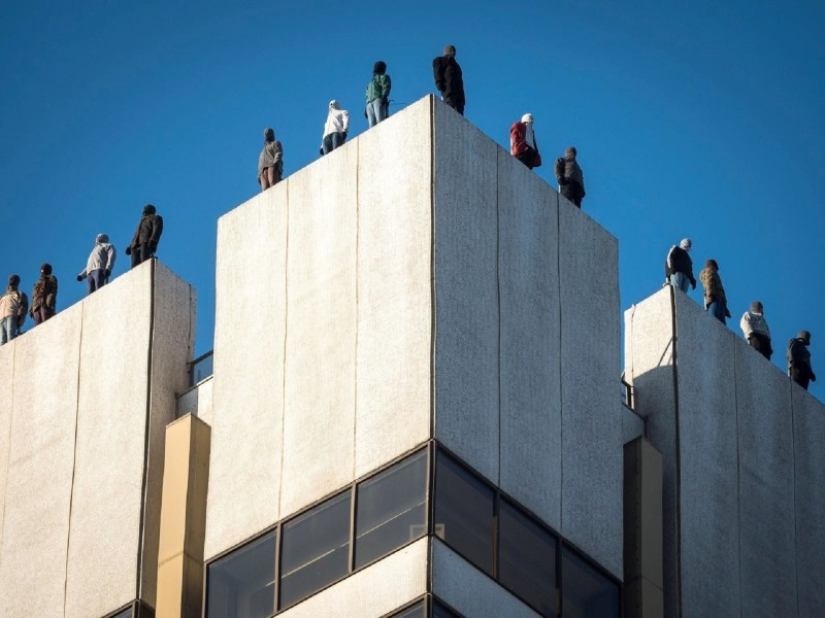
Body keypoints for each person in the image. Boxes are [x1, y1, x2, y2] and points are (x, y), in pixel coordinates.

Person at [125, 204, 164, 269]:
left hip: (146, 242)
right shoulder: (141, 222)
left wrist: (153, 240)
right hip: (135, 245)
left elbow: (157, 229)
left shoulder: (156, 218)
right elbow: (136, 235)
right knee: (134, 266)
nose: (143, 211)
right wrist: (130, 246)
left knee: (145, 262)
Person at [433, 45, 465, 115]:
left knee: (459, 118)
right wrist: (440, 84)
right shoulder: (440, 60)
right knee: (448, 113)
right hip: (448, 92)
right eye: (452, 50)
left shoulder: (457, 67)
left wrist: (462, 99)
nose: (453, 52)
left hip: (459, 97)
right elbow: (437, 73)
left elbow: (460, 82)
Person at [699, 259, 731, 324]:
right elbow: (709, 283)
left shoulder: (713, 272)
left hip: (719, 301)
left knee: (721, 326)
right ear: (713, 266)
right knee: (714, 322)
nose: (718, 268)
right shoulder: (710, 271)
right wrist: (711, 295)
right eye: (716, 266)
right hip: (714, 300)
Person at [0, 275, 28, 344]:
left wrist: (20, 316)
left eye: (14, 279)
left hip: (11, 315)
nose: (12, 280)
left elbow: (23, 306)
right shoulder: (2, 296)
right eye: (11, 279)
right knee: (2, 341)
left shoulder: (20, 294)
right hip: (1, 319)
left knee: (10, 337)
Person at [365, 62, 391, 128]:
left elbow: (386, 86)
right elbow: (367, 95)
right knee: (371, 124)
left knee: (380, 120)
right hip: (369, 103)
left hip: (378, 99)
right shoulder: (370, 83)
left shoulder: (383, 77)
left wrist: (384, 96)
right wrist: (366, 107)